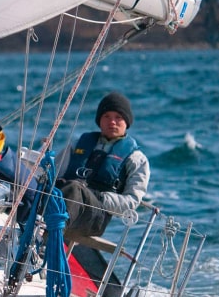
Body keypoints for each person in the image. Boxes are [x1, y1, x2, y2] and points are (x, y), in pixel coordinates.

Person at [55, 91, 149, 236]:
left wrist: (101, 198)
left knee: (74, 189)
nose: (112, 122)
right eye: (106, 116)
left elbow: (131, 202)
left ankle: (53, 232)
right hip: (65, 201)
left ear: (127, 122)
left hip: (95, 217)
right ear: (99, 120)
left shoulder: (136, 159)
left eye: (118, 117)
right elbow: (54, 173)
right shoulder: (76, 145)